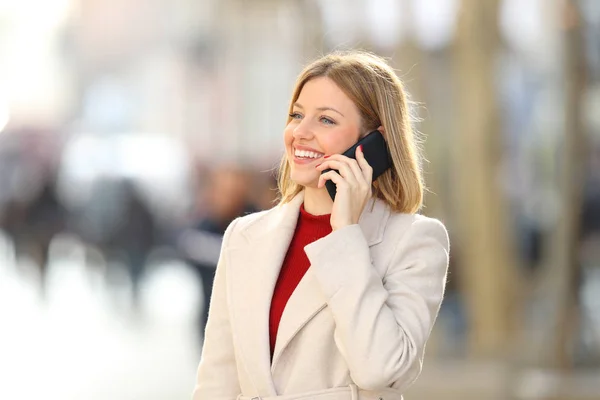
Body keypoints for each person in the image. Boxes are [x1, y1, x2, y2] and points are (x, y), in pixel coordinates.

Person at [193, 50, 450, 400]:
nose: (300, 132)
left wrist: (346, 233)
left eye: (326, 120)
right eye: (297, 115)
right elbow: (216, 380)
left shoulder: (415, 241)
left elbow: (380, 369)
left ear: (375, 142)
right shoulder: (244, 236)